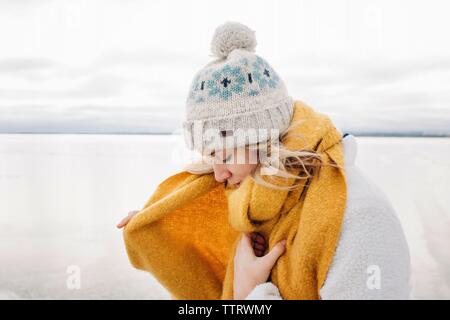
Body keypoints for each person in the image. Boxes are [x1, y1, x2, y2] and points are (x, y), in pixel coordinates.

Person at [118, 21, 411, 299]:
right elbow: (207, 230)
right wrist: (161, 224)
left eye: (227, 153)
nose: (218, 174)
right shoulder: (257, 196)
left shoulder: (359, 218)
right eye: (210, 157)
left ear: (264, 138)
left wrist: (248, 295)